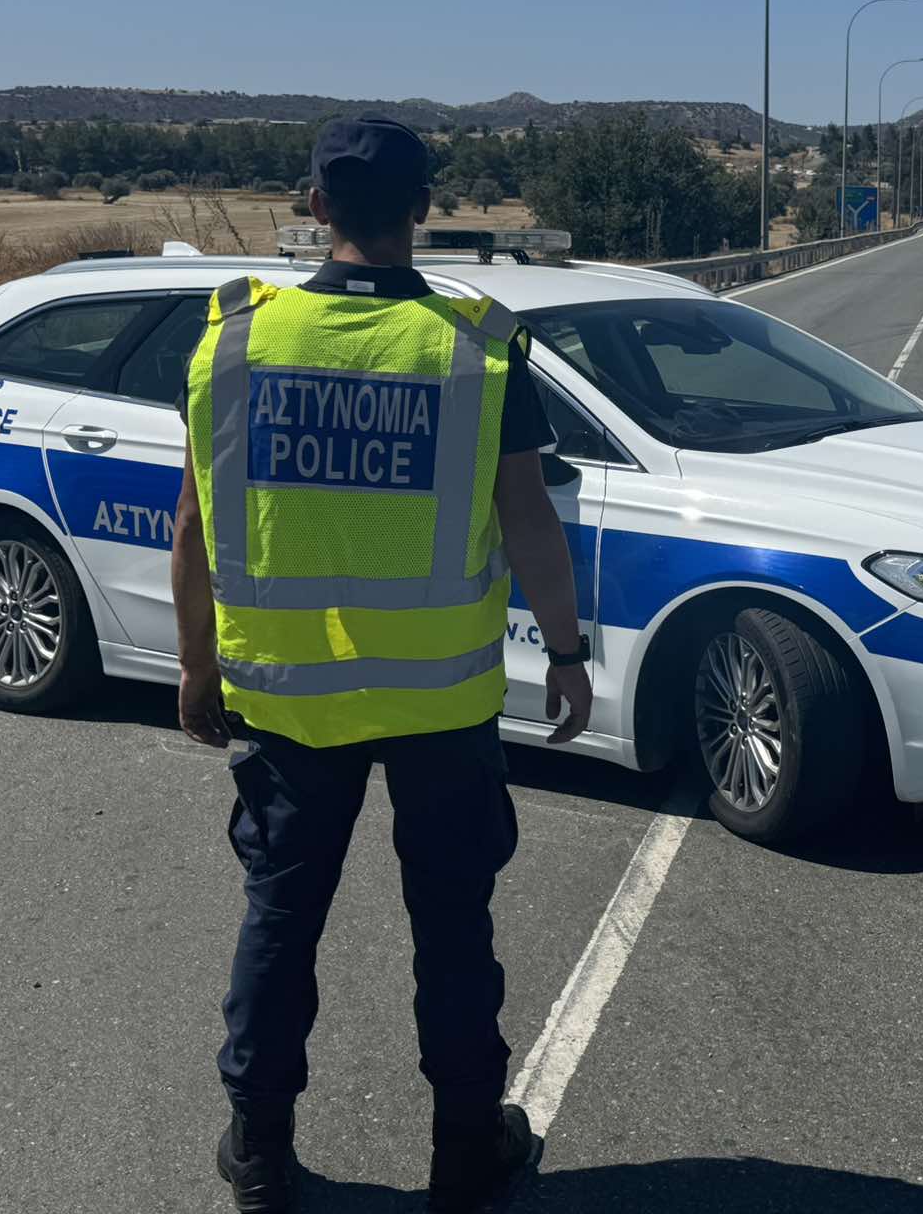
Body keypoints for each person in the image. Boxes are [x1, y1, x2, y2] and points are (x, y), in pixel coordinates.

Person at [171, 117, 593, 1213]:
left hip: (285, 702)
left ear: (316, 207)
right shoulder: (477, 347)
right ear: (423, 209)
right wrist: (566, 649)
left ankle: (259, 1154)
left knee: (279, 925)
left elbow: (195, 526)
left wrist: (196, 666)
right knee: (452, 929)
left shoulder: (236, 341)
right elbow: (529, 518)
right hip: (440, 703)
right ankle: (465, 1151)